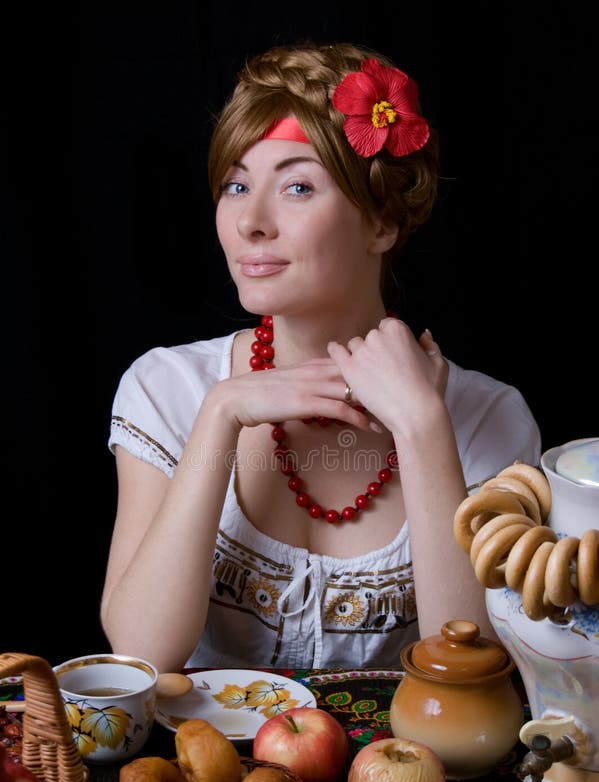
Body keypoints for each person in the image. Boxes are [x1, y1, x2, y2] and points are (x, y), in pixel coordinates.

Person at [100, 42, 541, 674]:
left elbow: (476, 673)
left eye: (297, 186)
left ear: (381, 223)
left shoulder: (487, 418)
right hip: (206, 771)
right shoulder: (166, 390)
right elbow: (140, 653)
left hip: (411, 774)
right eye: (236, 185)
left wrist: (421, 428)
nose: (251, 221)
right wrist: (222, 411)